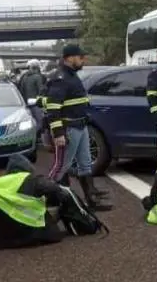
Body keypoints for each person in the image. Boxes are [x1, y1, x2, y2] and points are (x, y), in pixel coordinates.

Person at [46, 44, 113, 211]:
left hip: (80, 125)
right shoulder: (60, 78)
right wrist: (58, 133)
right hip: (68, 129)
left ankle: (92, 200)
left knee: (85, 164)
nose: (84, 60)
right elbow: (53, 108)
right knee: (61, 166)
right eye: (80, 57)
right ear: (69, 58)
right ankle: (50, 199)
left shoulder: (72, 76)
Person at [0, 154, 67, 253]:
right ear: (28, 168)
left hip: (0, 239)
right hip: (34, 234)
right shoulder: (33, 180)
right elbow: (57, 191)